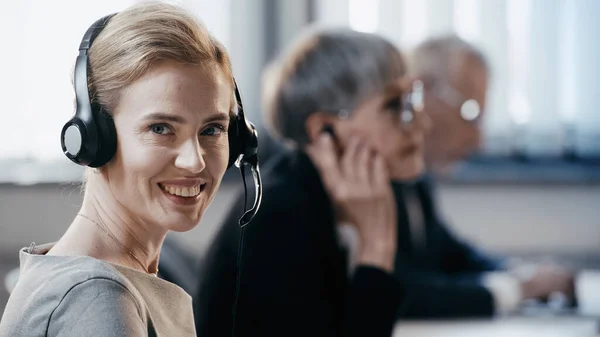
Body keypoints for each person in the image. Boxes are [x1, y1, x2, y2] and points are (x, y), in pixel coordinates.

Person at [0, 2, 260, 336]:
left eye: (212, 130)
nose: (195, 161)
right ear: (95, 139)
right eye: (161, 128)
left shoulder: (102, 280)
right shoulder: (98, 299)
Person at [193, 27, 430, 337]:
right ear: (324, 129)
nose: (420, 123)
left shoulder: (371, 194)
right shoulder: (278, 214)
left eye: (412, 101)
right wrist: (377, 247)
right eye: (394, 105)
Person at [387, 34, 576, 318]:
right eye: (470, 112)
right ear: (420, 91)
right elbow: (400, 292)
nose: (479, 141)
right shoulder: (370, 173)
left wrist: (521, 274)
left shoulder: (417, 177)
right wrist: (515, 291)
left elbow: (450, 254)